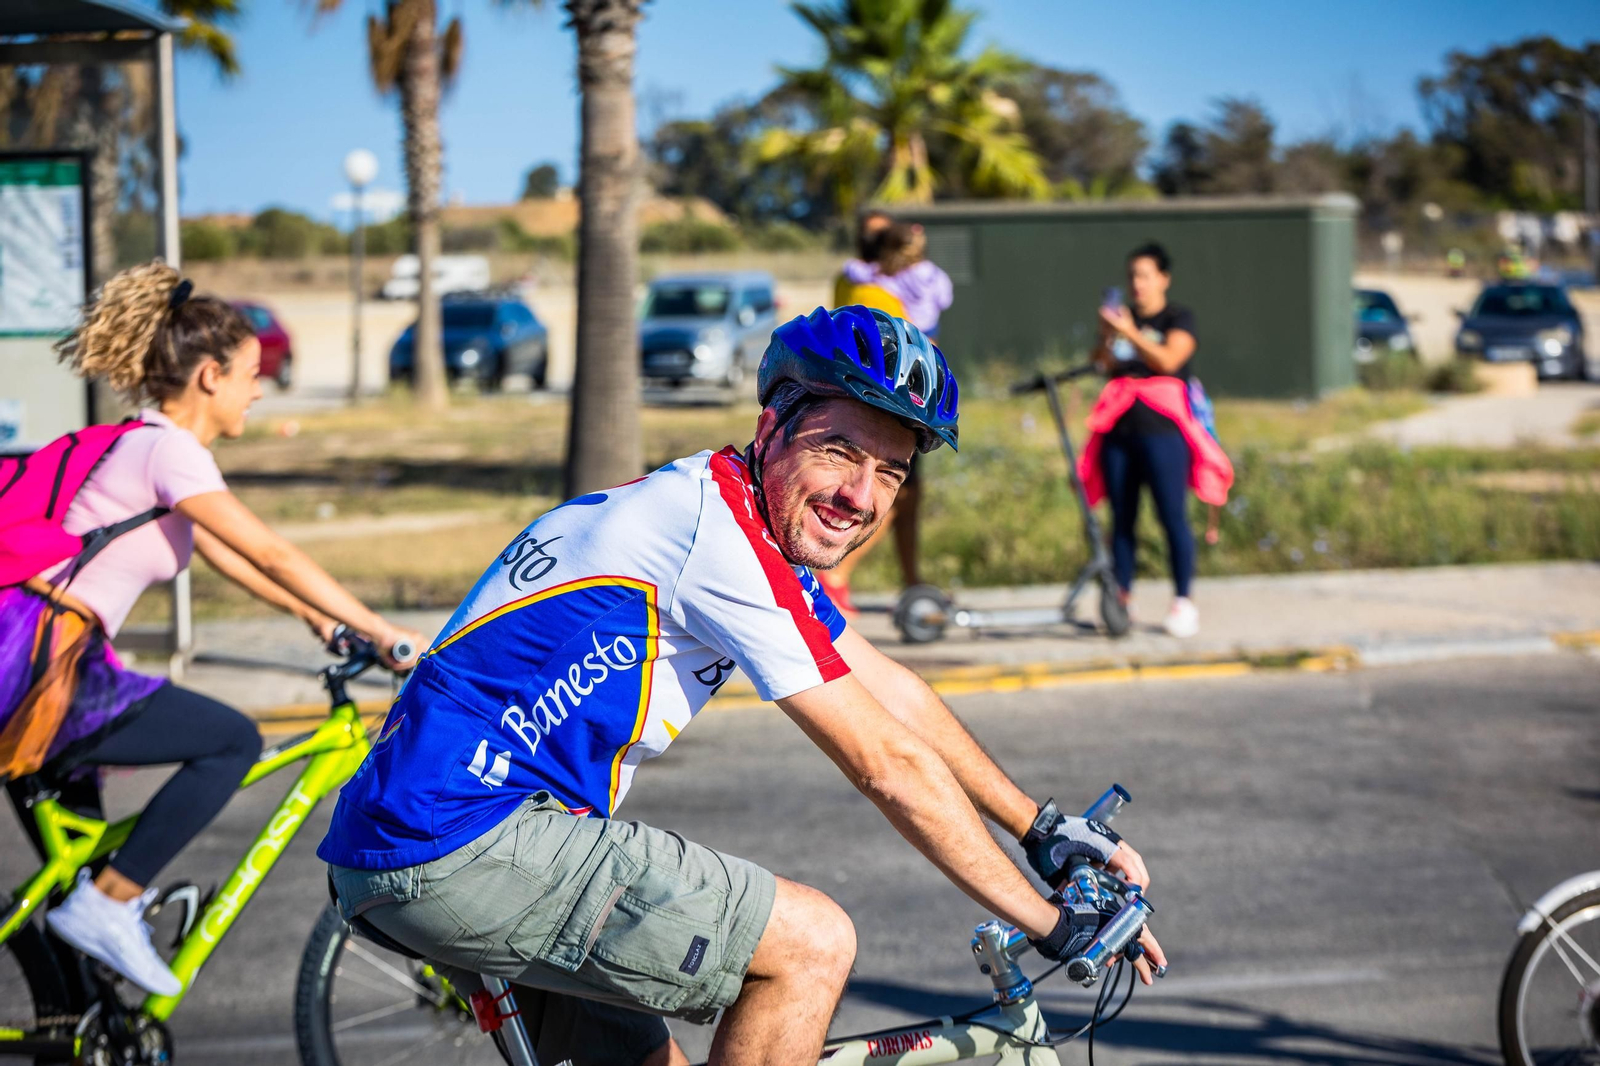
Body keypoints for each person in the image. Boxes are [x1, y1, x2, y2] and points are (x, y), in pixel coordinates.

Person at [319, 305, 1165, 1066]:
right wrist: (1052, 924)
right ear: (773, 425)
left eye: (893, 472)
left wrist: (1043, 829)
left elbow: (889, 689)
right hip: (466, 839)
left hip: (435, 838)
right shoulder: (714, 539)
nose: (860, 496)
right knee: (812, 945)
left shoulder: (734, 512)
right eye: (838, 450)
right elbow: (886, 766)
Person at [0, 261, 424, 997]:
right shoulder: (170, 452)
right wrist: (386, 633)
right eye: (250, 374)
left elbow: (235, 562)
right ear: (208, 376)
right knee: (229, 741)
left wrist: (318, 618)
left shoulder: (137, 445)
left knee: (71, 896)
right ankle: (112, 904)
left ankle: (77, 1011)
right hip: (52, 674)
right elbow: (272, 549)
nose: (259, 390)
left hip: (34, 670)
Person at [1083, 242, 1232, 639]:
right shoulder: (1122, 320)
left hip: (1164, 435)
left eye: (1145, 275)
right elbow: (1103, 365)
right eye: (1132, 275)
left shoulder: (1178, 317)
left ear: (1163, 278)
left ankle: (1183, 600)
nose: (1137, 283)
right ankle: (1122, 599)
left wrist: (1130, 332)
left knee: (1172, 517)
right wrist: (1106, 334)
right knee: (1123, 521)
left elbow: (1169, 360)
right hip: (1120, 434)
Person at [823, 220, 955, 610]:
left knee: (904, 497)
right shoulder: (880, 293)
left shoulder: (847, 281)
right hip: (891, 407)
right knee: (894, 493)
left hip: (858, 399)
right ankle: (835, 572)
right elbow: (904, 348)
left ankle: (912, 582)